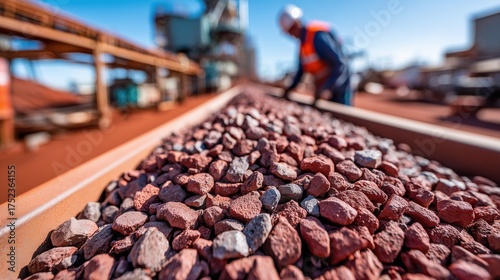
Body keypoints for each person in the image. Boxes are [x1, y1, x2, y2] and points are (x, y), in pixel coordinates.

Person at [279, 4, 353, 106]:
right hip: (324, 86)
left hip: (340, 85)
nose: (290, 35)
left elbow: (339, 63)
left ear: (296, 23)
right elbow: (301, 70)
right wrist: (290, 88)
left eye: (291, 30)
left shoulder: (317, 37)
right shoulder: (303, 46)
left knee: (343, 114)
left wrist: (327, 88)